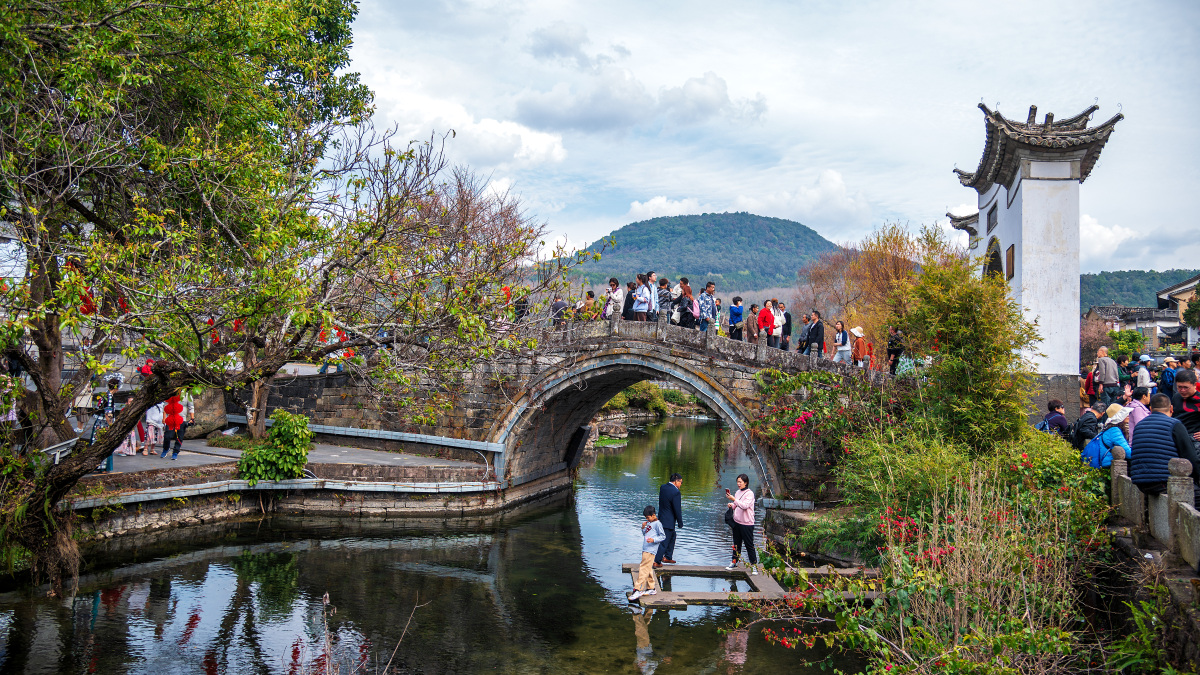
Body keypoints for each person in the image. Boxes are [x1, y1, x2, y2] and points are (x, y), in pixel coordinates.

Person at [1130, 393, 1200, 505]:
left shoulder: (1139, 426)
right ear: (1171, 408)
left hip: (1140, 482)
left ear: (1151, 409)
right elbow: (1190, 456)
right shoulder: (1175, 424)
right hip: (1163, 481)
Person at [629, 505, 665, 602]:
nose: (647, 519)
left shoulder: (658, 524)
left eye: (648, 517)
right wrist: (643, 527)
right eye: (646, 518)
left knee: (643, 568)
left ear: (653, 515)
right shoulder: (649, 523)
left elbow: (663, 536)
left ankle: (638, 589)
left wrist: (653, 540)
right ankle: (651, 588)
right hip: (645, 548)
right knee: (648, 568)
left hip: (651, 550)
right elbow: (645, 534)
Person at [725, 473, 758, 573]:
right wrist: (731, 504)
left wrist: (734, 500)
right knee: (736, 544)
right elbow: (736, 505)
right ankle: (734, 562)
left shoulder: (750, 493)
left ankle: (754, 566)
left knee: (749, 545)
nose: (738, 484)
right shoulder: (738, 492)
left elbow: (744, 506)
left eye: (740, 482)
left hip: (747, 523)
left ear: (746, 482)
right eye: (737, 482)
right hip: (737, 522)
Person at [655, 472, 683, 567]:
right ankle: (657, 561)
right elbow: (677, 508)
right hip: (669, 520)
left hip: (662, 518)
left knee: (672, 536)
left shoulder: (663, 487)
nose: (681, 485)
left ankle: (667, 557)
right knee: (664, 541)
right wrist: (680, 522)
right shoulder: (675, 492)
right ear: (676, 481)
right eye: (680, 482)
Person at [161, 389, 194, 460]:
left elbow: (191, 407)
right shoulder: (171, 393)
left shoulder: (187, 395)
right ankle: (166, 449)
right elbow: (165, 406)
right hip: (171, 418)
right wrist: (164, 418)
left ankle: (175, 452)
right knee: (167, 436)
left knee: (179, 437)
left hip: (182, 419)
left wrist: (192, 418)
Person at [1172, 369, 1200, 448]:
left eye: (1186, 387)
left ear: (1194, 385)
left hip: (1194, 440)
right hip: (1177, 437)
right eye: (1179, 387)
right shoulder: (1176, 397)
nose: (1182, 390)